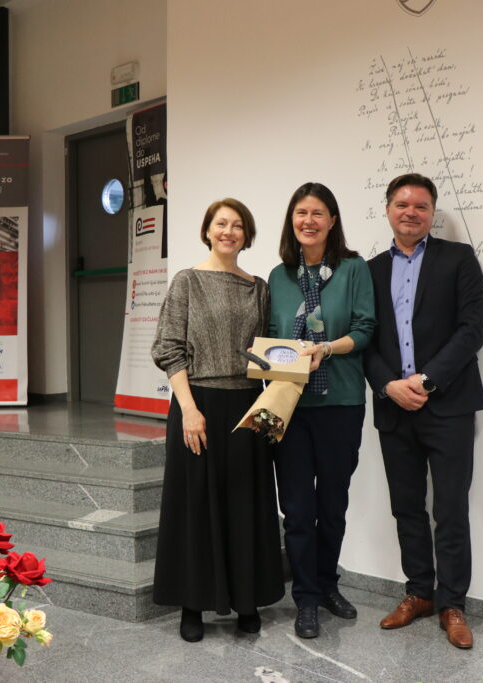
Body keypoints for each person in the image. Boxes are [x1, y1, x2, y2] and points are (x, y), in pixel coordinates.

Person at [363, 173, 483, 649]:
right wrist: (388, 385)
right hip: (394, 407)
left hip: (448, 405)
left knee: (451, 508)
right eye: (402, 204)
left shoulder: (459, 259)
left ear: (432, 214)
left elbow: (473, 327)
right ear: (388, 209)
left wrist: (427, 379)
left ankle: (452, 603)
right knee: (406, 507)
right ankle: (418, 592)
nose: (411, 212)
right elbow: (365, 337)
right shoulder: (370, 270)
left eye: (420, 206)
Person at [151, 198, 284, 642]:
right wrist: (189, 410)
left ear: (247, 235)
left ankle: (246, 600)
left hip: (248, 403)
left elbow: (268, 353)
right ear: (208, 230)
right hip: (198, 403)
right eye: (221, 223)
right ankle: (192, 604)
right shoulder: (187, 281)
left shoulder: (259, 288)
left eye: (238, 225)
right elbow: (169, 348)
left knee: (245, 504)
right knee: (195, 506)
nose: (229, 231)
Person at [268, 182, 376, 639]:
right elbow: (269, 334)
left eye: (317, 213)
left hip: (341, 404)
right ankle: (306, 599)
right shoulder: (278, 276)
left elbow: (365, 328)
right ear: (291, 220)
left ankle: (328, 585)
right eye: (301, 213)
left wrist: (326, 348)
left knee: (333, 504)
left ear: (332, 221)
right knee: (297, 509)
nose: (308, 221)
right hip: (289, 407)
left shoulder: (353, 269)